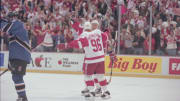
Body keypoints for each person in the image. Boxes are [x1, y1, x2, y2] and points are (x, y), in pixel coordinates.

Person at [58, 21, 111, 100]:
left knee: (88, 76)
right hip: (100, 58)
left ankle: (91, 91)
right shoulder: (98, 32)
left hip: (91, 59)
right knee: (100, 76)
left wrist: (66, 45)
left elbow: (78, 44)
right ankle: (106, 92)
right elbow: (106, 37)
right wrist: (107, 31)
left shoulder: (84, 35)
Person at [0, 12, 31, 101]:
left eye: (9, 18)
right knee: (16, 76)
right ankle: (21, 96)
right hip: (18, 56)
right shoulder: (16, 27)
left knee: (17, 77)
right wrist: (11, 61)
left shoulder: (18, 24)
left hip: (20, 56)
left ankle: (22, 97)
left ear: (13, 17)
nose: (8, 20)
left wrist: (1, 20)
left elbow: (4, 27)